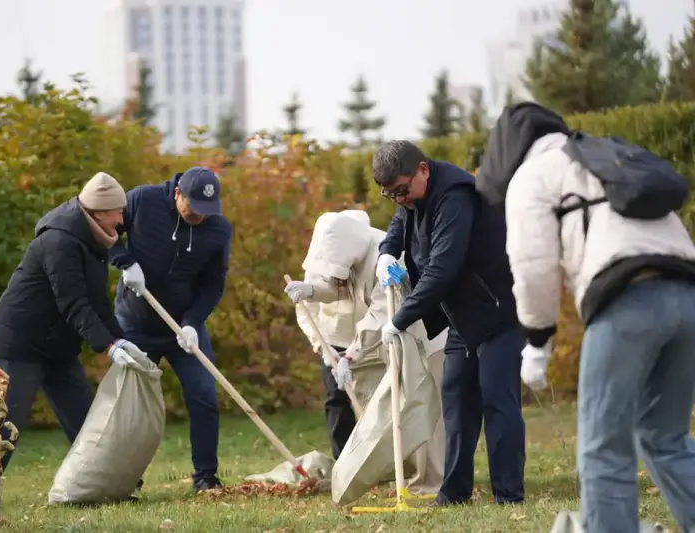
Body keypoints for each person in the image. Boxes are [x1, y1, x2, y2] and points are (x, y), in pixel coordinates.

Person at [477, 102, 695, 533]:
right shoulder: (609, 155)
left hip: (627, 301)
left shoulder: (532, 176)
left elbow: (534, 267)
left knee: (603, 448)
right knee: (664, 437)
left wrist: (537, 341)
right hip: (688, 294)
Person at [0, 172, 151, 532]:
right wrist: (108, 345)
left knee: (86, 418)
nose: (122, 220)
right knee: (6, 424)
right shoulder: (60, 240)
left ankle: (106, 487)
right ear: (98, 212)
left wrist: (120, 338)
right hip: (21, 342)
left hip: (59, 344)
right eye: (117, 212)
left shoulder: (97, 239)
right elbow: (72, 302)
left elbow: (97, 301)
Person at [372, 140, 526, 506]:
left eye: (401, 191)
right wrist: (386, 254)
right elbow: (399, 225)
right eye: (391, 195)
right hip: (463, 315)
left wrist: (399, 320)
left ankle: (508, 495)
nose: (399, 200)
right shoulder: (414, 198)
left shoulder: (456, 197)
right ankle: (454, 494)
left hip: (499, 310)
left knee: (497, 399)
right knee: (456, 400)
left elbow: (442, 269)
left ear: (422, 170)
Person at [284, 209, 446, 493]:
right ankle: (386, 473)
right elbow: (325, 293)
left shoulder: (387, 257)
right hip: (375, 339)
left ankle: (429, 481)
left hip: (418, 333)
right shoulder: (328, 253)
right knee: (374, 408)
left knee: (420, 406)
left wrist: (350, 355)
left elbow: (382, 313)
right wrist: (312, 296)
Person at [109, 167, 232, 493]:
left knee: (204, 395)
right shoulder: (142, 200)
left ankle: (206, 477)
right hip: (135, 323)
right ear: (178, 193)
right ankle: (125, 480)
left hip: (183, 327)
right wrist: (123, 260)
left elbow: (212, 284)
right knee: (129, 404)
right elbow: (103, 230)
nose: (199, 217)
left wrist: (192, 322)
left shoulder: (219, 230)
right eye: (193, 208)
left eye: (207, 211)